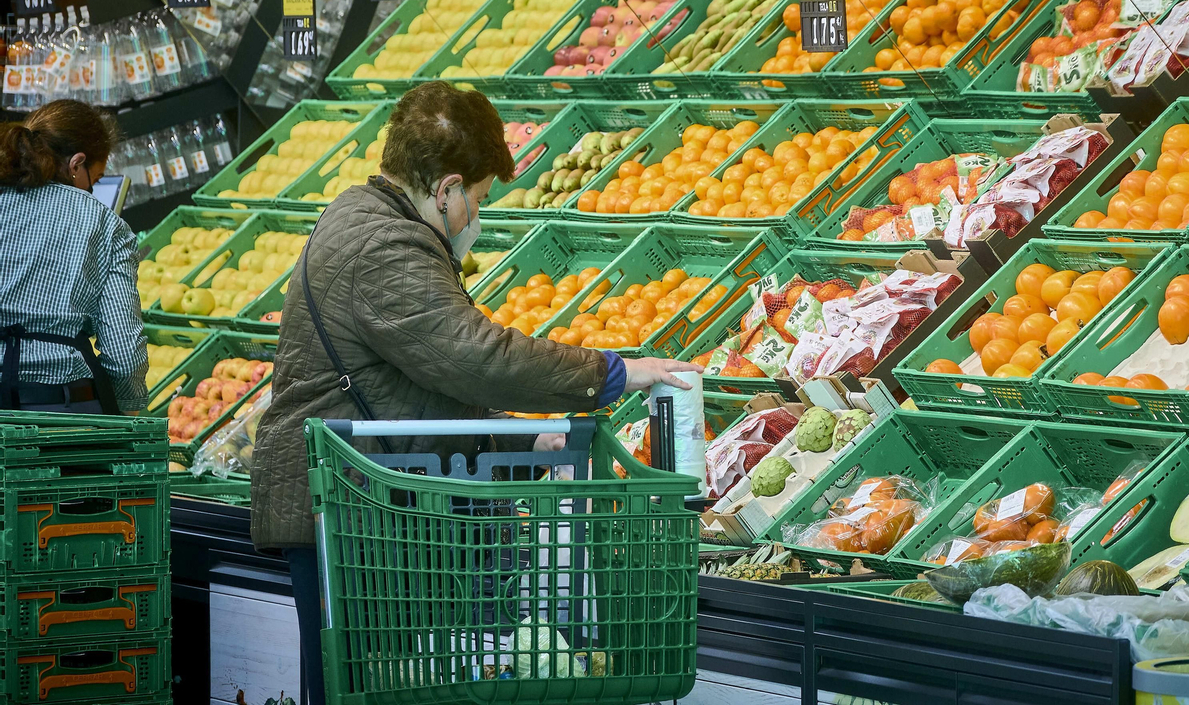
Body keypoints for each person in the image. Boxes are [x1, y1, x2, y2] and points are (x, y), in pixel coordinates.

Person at [251, 82, 701, 704]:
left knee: (366, 685)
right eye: (479, 199)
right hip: (353, 510)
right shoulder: (387, 248)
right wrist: (610, 373)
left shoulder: (359, 214)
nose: (476, 220)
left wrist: (510, 435)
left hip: (363, 501)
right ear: (446, 189)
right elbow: (472, 355)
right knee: (360, 686)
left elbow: (410, 375)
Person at [0, 100, 146, 414]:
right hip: (57, 404)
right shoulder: (105, 225)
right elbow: (123, 353)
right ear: (76, 164)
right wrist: (129, 412)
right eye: (95, 178)